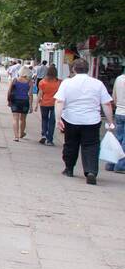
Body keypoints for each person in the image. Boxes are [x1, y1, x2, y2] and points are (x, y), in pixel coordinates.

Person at [55, 57, 115, 185]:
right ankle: (91, 171)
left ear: (73, 69)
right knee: (91, 146)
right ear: (87, 69)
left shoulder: (67, 83)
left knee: (71, 144)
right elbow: (107, 104)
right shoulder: (98, 84)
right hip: (91, 120)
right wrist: (110, 121)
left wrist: (58, 119)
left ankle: (69, 169)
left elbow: (60, 101)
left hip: (71, 119)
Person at [7, 66, 35, 141]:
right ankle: (21, 133)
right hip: (25, 101)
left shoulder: (15, 80)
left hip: (15, 100)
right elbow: (30, 94)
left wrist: (8, 100)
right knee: (23, 119)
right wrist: (31, 105)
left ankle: (16, 136)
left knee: (15, 118)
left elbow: (9, 91)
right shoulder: (30, 82)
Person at [36, 64, 61, 146]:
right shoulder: (59, 83)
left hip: (44, 103)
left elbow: (40, 93)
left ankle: (44, 134)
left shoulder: (42, 82)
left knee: (44, 119)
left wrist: (36, 104)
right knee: (52, 122)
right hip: (55, 104)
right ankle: (49, 139)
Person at [108, 66, 125, 174]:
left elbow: (114, 97)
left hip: (119, 111)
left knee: (118, 139)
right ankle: (120, 165)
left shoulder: (119, 79)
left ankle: (111, 164)